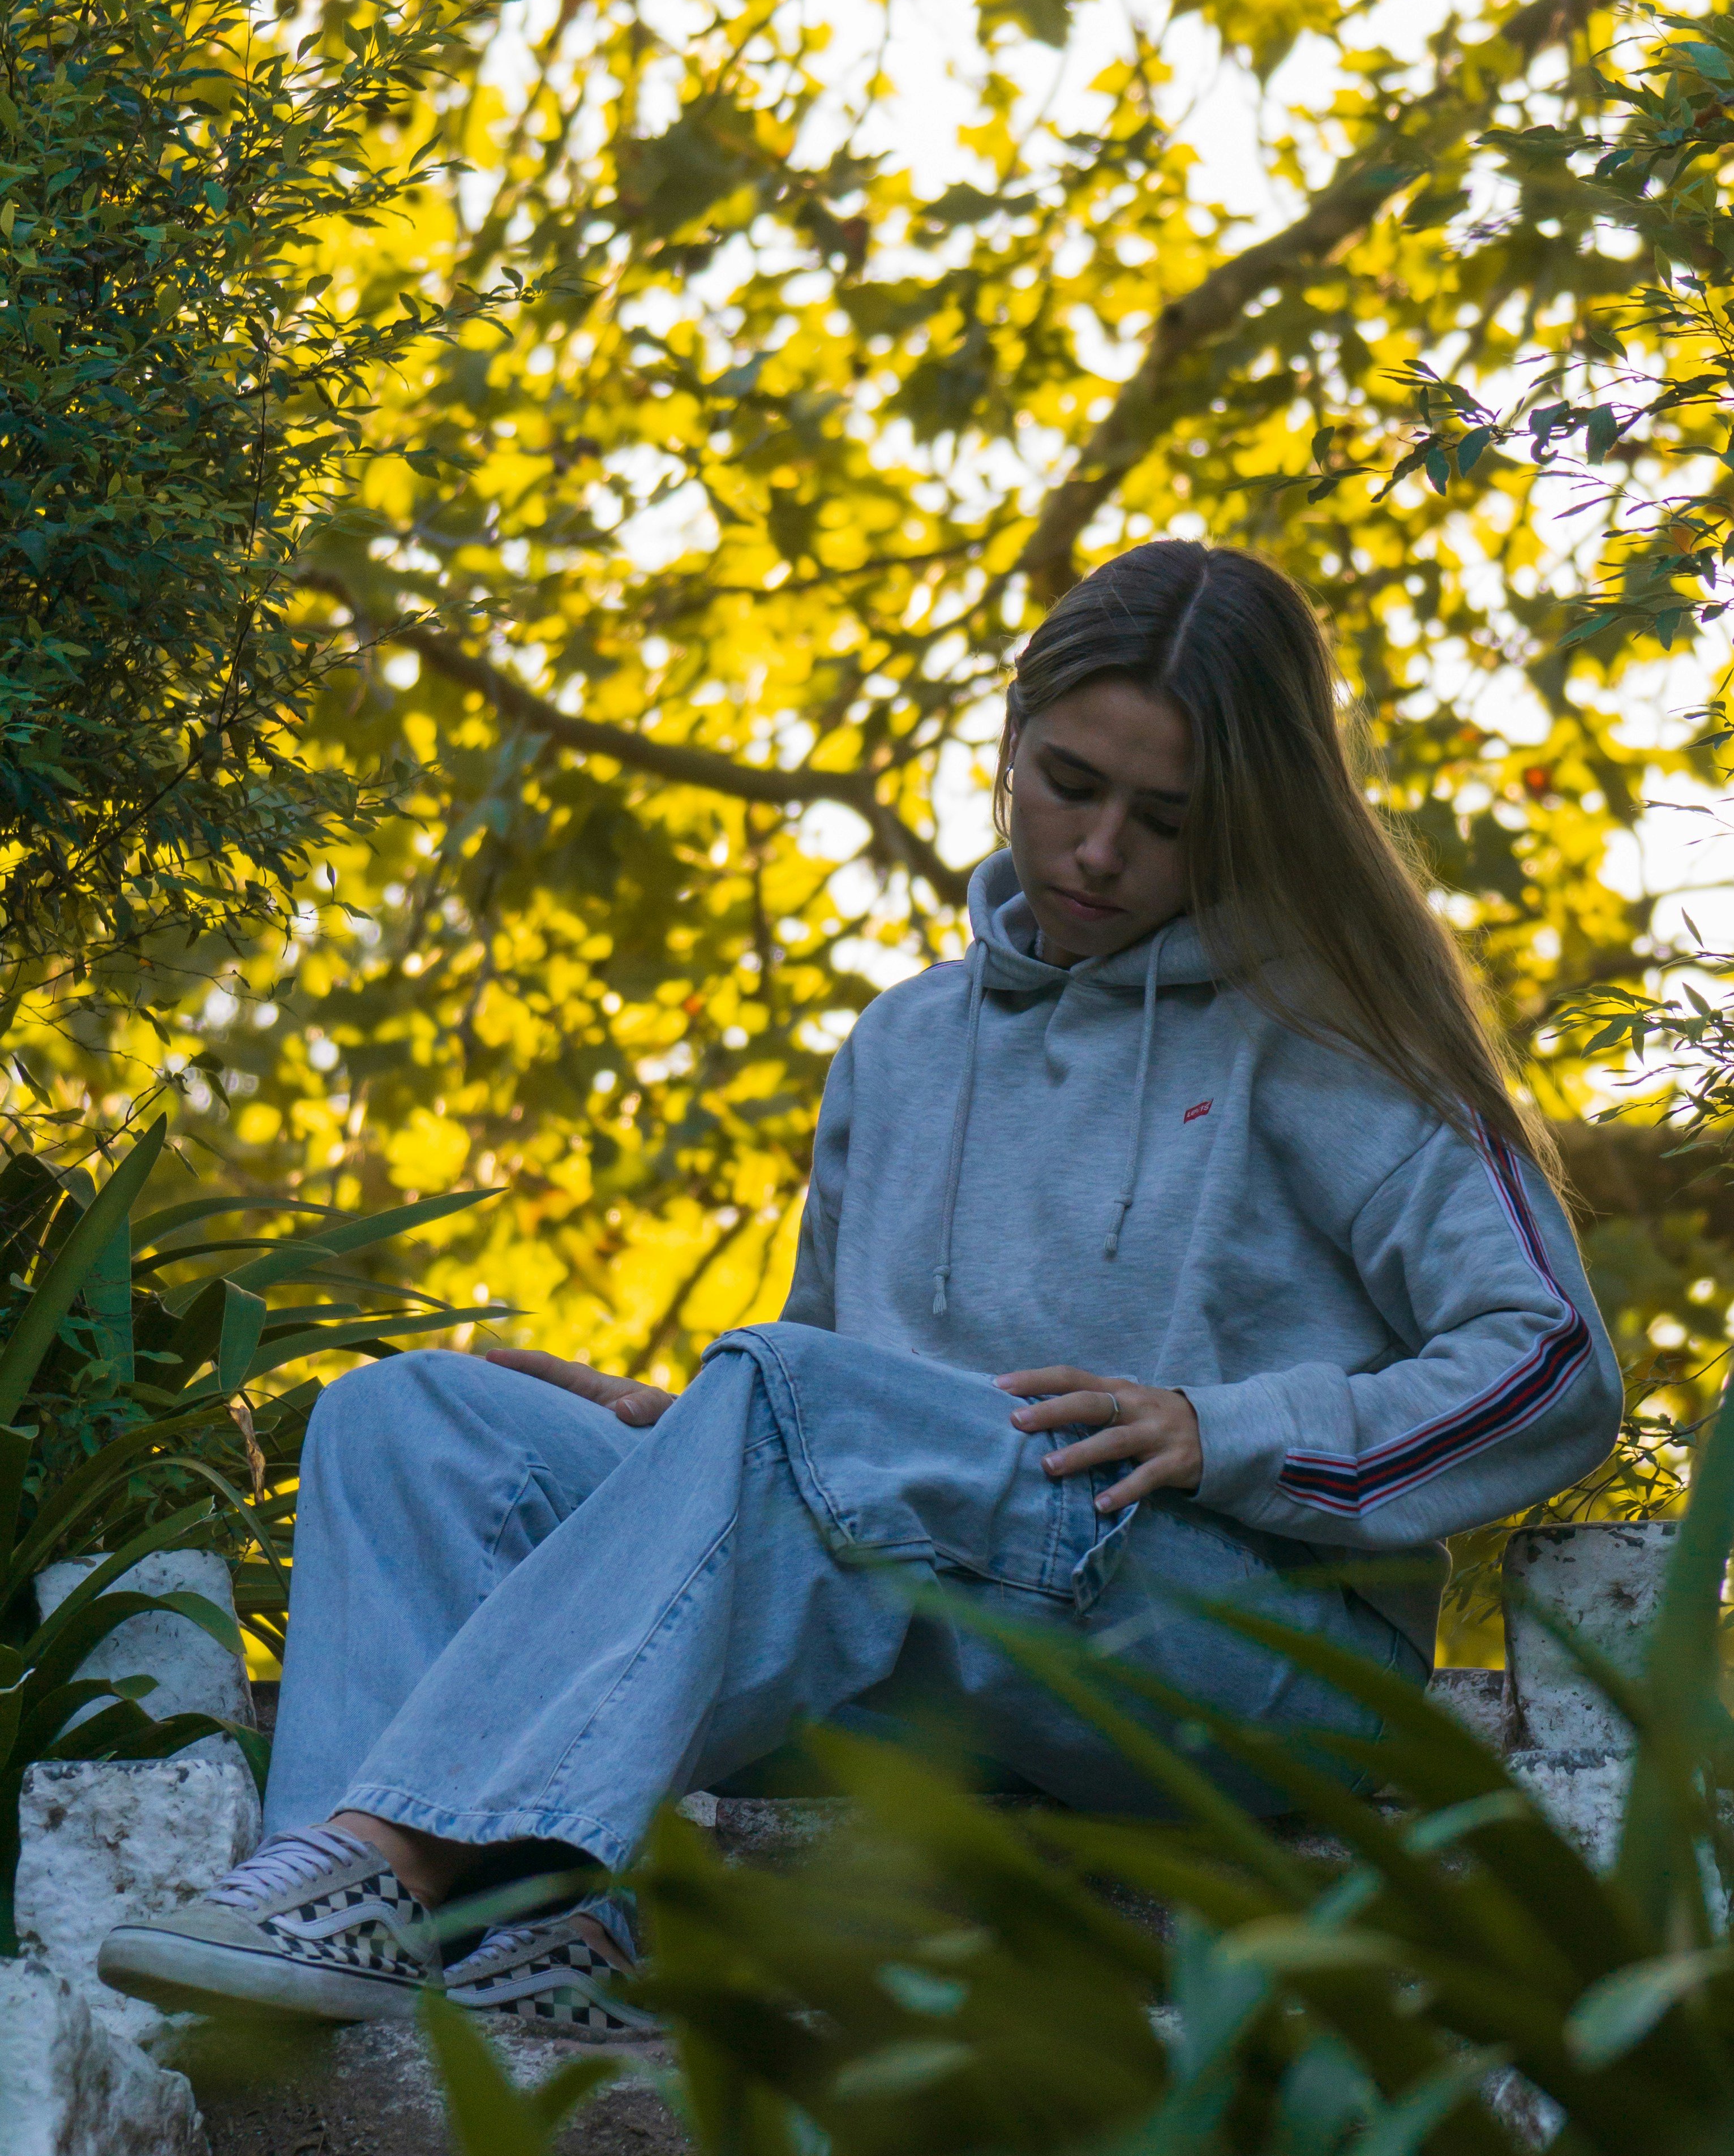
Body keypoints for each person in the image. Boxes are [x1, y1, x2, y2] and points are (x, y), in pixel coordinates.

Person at [100, 539, 1624, 2034]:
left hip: (1241, 1668)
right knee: (413, 1422)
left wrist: (1230, 1430)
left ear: (1253, 824)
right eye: (1070, 786)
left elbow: (1552, 1362)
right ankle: (521, 1935)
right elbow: (831, 1399)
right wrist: (680, 1433)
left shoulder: (1332, 1040)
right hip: (945, 1640)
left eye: (1166, 820)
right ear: (1009, 745)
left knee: (780, 1398)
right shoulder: (900, 1049)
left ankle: (393, 1860)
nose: (1100, 851)